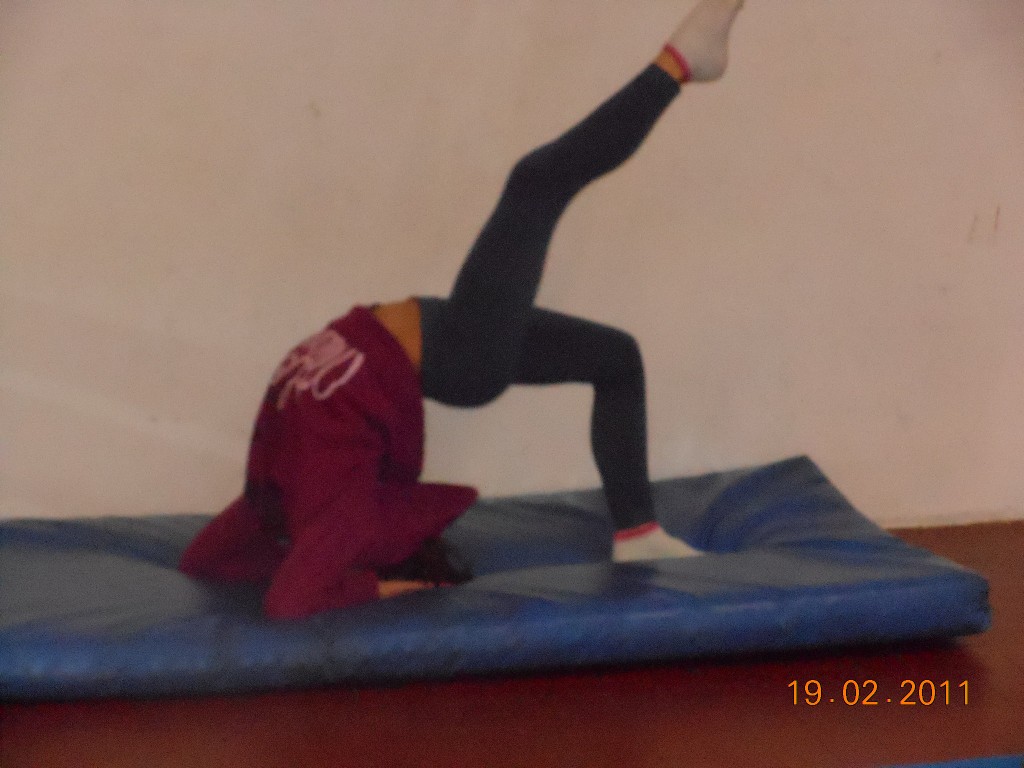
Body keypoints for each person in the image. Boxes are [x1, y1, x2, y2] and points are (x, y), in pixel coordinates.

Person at [180, 0, 745, 619]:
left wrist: (287, 552)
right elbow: (289, 604)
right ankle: (678, 64)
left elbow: (204, 559)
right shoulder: (344, 517)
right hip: (461, 355)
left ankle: (638, 533)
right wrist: (386, 589)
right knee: (537, 182)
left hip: (440, 330)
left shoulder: (275, 501)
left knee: (615, 358)